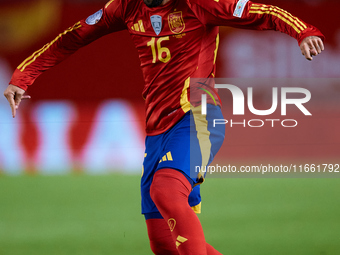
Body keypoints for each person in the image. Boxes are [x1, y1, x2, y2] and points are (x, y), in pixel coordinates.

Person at [4, 0, 324, 254]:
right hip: (157, 129)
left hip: (198, 115)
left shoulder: (200, 3)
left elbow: (260, 12)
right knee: (164, 245)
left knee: (166, 190)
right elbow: (74, 36)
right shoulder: (127, 7)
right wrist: (23, 76)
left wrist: (304, 31)